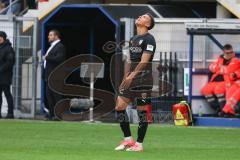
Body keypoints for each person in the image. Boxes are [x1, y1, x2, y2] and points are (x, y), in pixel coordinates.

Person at [114, 13, 156, 152]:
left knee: (141, 112)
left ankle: (139, 144)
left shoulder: (149, 39)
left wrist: (132, 76)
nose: (139, 17)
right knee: (120, 106)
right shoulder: (133, 39)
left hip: (143, 79)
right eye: (140, 16)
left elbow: (144, 61)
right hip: (131, 78)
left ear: (148, 24)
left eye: (144, 17)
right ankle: (128, 140)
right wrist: (125, 77)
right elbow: (131, 60)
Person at [201, 44, 240, 116]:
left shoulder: (236, 60)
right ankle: (217, 109)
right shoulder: (220, 59)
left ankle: (225, 111)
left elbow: (230, 70)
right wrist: (219, 68)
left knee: (218, 89)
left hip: (227, 81)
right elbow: (211, 67)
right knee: (205, 89)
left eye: (231, 52)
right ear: (224, 53)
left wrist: (234, 73)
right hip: (215, 81)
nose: (230, 54)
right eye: (228, 53)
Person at [43, 29, 65, 120]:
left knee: (56, 96)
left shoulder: (60, 46)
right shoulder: (52, 46)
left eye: (51, 35)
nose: (49, 36)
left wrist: (47, 57)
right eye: (49, 35)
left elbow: (59, 58)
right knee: (49, 96)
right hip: (49, 76)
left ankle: (58, 115)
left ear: (56, 36)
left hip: (55, 76)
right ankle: (51, 114)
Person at [0, 31, 15, 119]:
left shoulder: (9, 48)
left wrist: (0, 69)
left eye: (0, 37)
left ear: (3, 38)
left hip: (5, 76)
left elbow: (10, 62)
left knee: (7, 94)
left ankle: (10, 113)